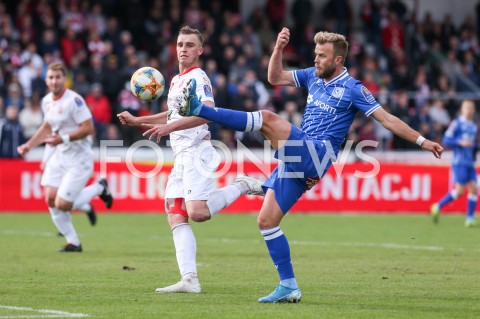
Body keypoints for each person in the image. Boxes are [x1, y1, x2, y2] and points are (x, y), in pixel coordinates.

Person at [175, 27, 444, 303]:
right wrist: (278, 48)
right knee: (266, 222)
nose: (316, 59)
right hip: (297, 157)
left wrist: (422, 140)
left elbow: (387, 119)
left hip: (318, 153)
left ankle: (201, 110)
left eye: (322, 55)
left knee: (267, 118)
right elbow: (274, 77)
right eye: (315, 54)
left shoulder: (353, 89)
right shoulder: (311, 77)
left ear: (338, 60)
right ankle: (289, 285)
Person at [117, 26, 263, 294]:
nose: (183, 49)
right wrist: (139, 120)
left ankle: (241, 185)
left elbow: (208, 114)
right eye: (180, 44)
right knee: (175, 214)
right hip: (181, 154)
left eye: (189, 45)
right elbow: (171, 113)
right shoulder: (175, 80)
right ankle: (189, 280)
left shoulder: (199, 78)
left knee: (198, 213)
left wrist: (169, 128)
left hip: (198, 151)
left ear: (200, 51)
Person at [17, 62, 113, 252]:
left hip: (79, 158)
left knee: (63, 203)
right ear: (46, 80)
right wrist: (29, 145)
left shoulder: (74, 101)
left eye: (58, 77)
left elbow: (88, 128)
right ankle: (74, 243)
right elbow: (47, 126)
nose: (54, 81)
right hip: (59, 156)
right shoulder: (46, 101)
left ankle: (99, 188)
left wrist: (63, 138)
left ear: (65, 79)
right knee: (50, 199)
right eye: (51, 77)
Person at [431, 100, 477, 227]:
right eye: (467, 107)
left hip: (470, 163)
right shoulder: (457, 123)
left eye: (471, 107)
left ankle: (469, 219)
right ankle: (438, 206)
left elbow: (472, 145)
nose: (469, 110)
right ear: (462, 110)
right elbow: (446, 139)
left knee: (474, 189)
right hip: (459, 162)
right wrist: (460, 142)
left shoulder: (473, 126)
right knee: (460, 191)